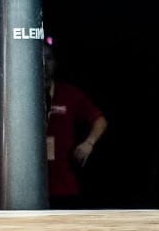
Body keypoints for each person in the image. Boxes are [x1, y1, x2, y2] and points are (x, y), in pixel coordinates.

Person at [43, 41, 108, 209]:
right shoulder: (19, 94)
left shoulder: (69, 94)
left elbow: (100, 121)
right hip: (28, 189)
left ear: (55, 63)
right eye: (39, 58)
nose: (44, 63)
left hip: (64, 188)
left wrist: (89, 143)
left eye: (48, 58)